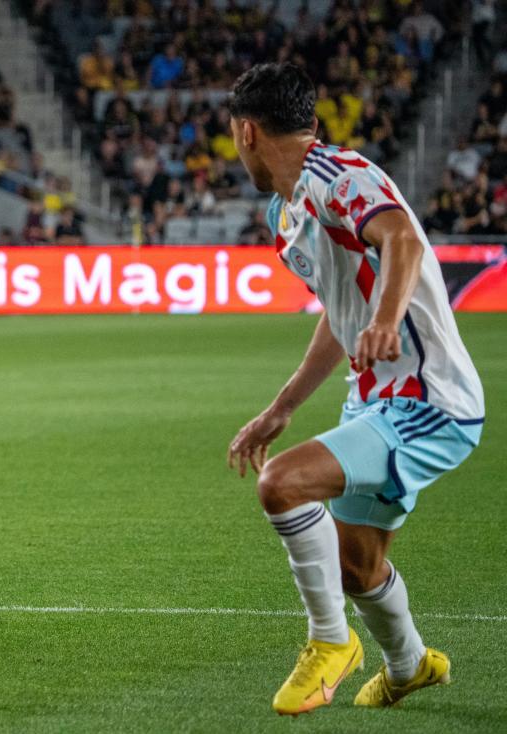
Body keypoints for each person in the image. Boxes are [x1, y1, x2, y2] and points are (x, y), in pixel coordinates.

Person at [225, 63, 484, 715]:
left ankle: (329, 641)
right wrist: (282, 406)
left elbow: (400, 237)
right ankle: (412, 665)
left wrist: (387, 319)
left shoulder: (338, 176)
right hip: (375, 399)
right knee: (357, 566)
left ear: (246, 131)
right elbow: (342, 318)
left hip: (429, 402)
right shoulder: (287, 209)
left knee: (281, 484)